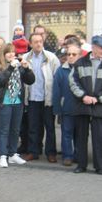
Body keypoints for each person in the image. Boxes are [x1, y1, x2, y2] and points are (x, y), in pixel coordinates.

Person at [69, 35, 102, 175]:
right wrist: (83, 96)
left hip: (100, 107)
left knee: (99, 138)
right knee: (81, 137)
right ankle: (81, 165)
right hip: (82, 105)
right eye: (101, 48)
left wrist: (98, 99)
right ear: (93, 47)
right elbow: (73, 81)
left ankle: (100, 166)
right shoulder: (80, 63)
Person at [0, 43, 35, 168]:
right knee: (4, 130)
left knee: (15, 129)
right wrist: (10, 68)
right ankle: (3, 155)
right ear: (4, 54)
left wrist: (27, 68)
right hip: (5, 102)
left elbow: (31, 80)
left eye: (13, 52)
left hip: (18, 102)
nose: (12, 54)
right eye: (8, 52)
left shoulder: (19, 66)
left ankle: (12, 154)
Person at [22, 33, 60, 162]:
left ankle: (51, 152)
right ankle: (33, 151)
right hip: (32, 98)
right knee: (33, 127)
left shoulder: (51, 58)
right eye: (35, 42)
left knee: (50, 127)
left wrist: (56, 98)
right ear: (30, 44)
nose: (38, 44)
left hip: (47, 98)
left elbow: (57, 78)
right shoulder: (25, 58)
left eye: (40, 41)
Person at [52, 42, 81, 166]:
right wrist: (57, 109)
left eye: (74, 54)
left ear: (79, 55)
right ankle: (67, 156)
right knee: (66, 134)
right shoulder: (61, 71)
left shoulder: (83, 70)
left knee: (79, 135)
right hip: (67, 108)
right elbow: (56, 91)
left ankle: (79, 156)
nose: (71, 56)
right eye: (69, 54)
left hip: (80, 109)